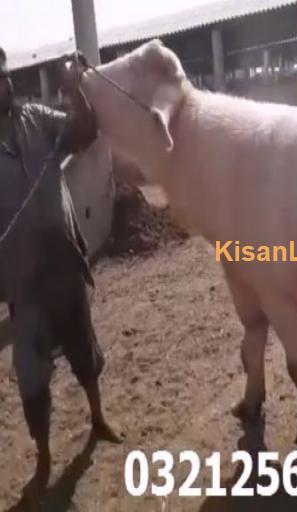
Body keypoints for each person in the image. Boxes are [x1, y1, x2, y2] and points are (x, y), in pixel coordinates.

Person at [0, 46, 120, 497]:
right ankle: (45, 459)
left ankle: (98, 419)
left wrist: (76, 88)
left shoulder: (36, 119)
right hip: (23, 283)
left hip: (64, 265)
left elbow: (84, 131)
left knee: (84, 352)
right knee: (32, 378)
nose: (4, 85)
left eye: (4, 75)